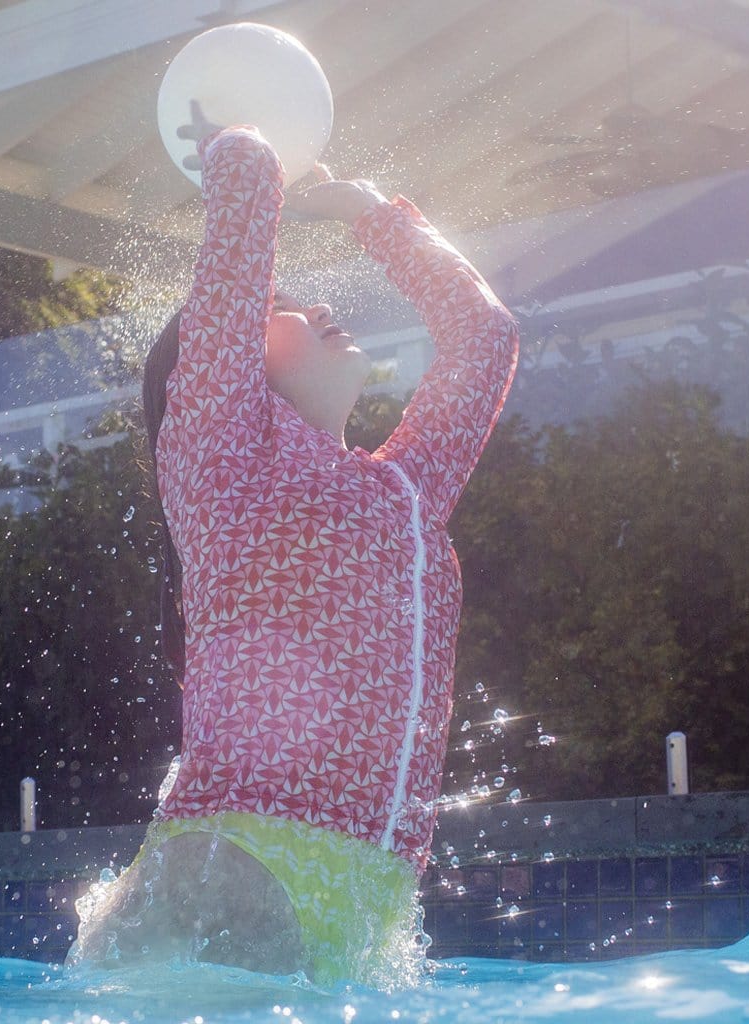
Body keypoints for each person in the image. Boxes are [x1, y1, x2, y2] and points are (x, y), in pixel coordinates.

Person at [68, 105, 519, 986]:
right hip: (231, 866)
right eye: (280, 308)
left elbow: (486, 337)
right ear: (230, 362)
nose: (315, 305)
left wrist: (372, 214)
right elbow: (235, 257)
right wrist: (243, 138)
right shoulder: (218, 460)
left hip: (367, 899)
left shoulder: (407, 488)